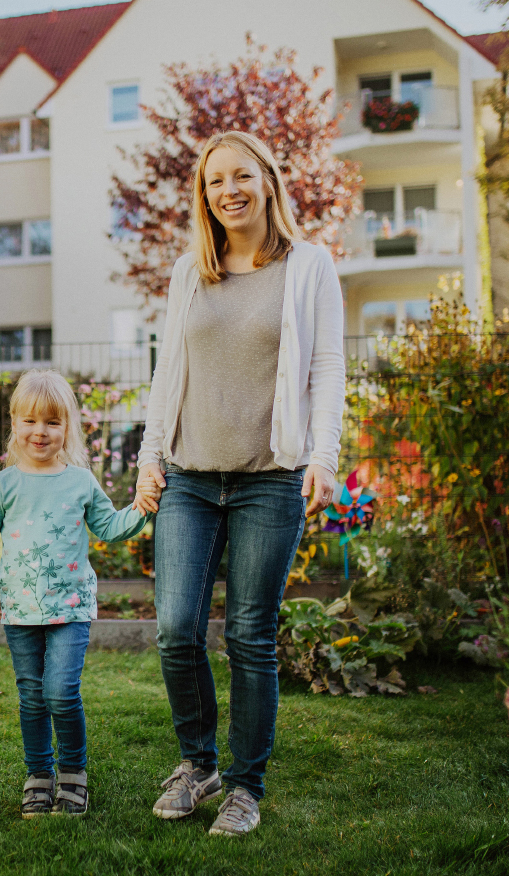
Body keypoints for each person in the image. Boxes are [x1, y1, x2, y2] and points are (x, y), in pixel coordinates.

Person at [132, 130, 345, 836]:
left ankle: (245, 785)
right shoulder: (191, 271)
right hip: (190, 477)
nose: (230, 190)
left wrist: (323, 455)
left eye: (242, 176)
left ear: (268, 182)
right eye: (216, 180)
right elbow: (168, 372)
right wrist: (149, 454)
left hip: (268, 479)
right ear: (205, 193)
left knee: (251, 635)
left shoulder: (309, 267)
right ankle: (199, 763)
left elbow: (327, 370)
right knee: (174, 629)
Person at [0, 370, 148, 818]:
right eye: (30, 421)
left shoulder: (79, 481)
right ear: (14, 424)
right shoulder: (3, 485)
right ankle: (39, 775)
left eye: (52, 423)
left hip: (71, 608)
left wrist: (140, 507)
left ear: (67, 429)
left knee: (60, 692)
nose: (40, 432)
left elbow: (110, 526)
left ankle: (73, 773)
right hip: (20, 611)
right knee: (32, 697)